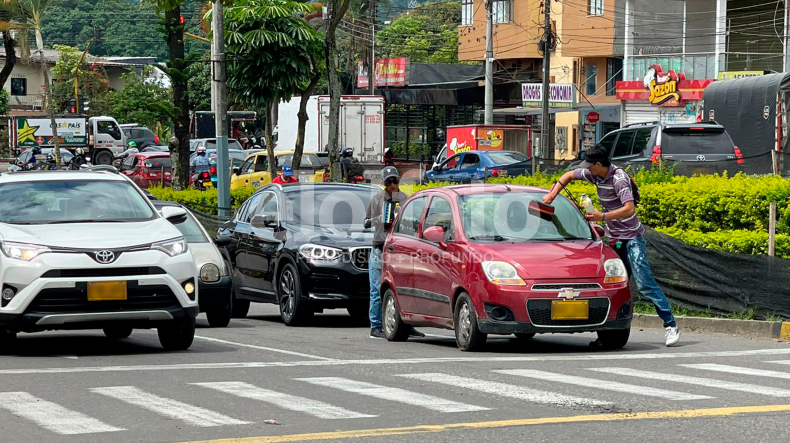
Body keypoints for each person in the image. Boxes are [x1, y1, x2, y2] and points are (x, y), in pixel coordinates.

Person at [542, 145, 680, 347]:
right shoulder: (595, 176)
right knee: (612, 286)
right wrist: (551, 195)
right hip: (614, 239)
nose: (586, 170)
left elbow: (629, 208)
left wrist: (602, 216)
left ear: (599, 165)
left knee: (644, 284)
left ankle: (670, 325)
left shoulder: (619, 179)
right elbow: (568, 176)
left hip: (632, 239)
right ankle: (606, 336)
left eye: (590, 166)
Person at [364, 166, 424, 340]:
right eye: (388, 181)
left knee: (403, 288)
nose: (392, 184)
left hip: (399, 249)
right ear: (383, 183)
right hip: (380, 249)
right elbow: (366, 223)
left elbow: (414, 223)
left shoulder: (405, 199)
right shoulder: (377, 199)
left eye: (395, 181)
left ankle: (407, 324)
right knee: (376, 290)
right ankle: (375, 326)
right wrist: (381, 218)